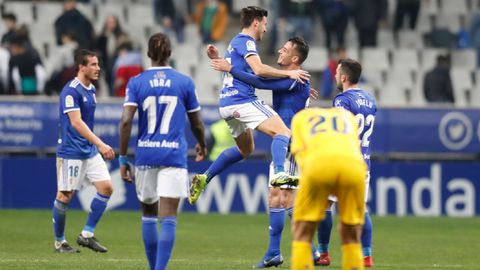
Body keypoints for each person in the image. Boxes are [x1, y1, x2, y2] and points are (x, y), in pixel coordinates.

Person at [188, 6, 309, 205]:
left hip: (227, 104)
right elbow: (259, 72)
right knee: (284, 133)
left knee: (246, 149)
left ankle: (205, 178)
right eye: (265, 24)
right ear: (256, 22)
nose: (265, 29)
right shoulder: (246, 41)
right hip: (242, 101)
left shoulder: (235, 43)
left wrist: (220, 60)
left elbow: (234, 70)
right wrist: (289, 73)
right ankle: (280, 173)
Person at [211, 36, 312, 268]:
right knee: (278, 198)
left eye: (285, 50)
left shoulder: (296, 79)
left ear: (295, 58)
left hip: (290, 142)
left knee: (284, 199)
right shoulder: (295, 78)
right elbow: (267, 79)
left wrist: (230, 68)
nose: (279, 50)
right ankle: (282, 252)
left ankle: (305, 251)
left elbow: (259, 82)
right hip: (284, 142)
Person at [119, 33, 207, 270]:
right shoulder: (185, 82)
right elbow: (196, 123)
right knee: (168, 216)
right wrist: (202, 143)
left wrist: (123, 158)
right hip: (174, 156)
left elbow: (126, 122)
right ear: (170, 53)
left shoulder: (136, 82)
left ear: (149, 54)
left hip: (146, 156)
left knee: (149, 214)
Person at [315, 58, 377, 267]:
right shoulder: (371, 101)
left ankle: (323, 253)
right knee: (361, 210)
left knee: (325, 206)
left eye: (337, 73)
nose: (334, 76)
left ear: (344, 77)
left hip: (343, 161)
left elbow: (340, 130)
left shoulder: (342, 100)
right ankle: (367, 256)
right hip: (363, 163)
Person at [288, 107, 367, 270]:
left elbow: (299, 154)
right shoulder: (347, 117)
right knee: (352, 232)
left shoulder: (300, 118)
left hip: (318, 165)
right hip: (354, 167)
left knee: (302, 231)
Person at [53, 49, 115, 253]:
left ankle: (86, 235)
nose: (98, 68)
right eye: (93, 64)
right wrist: (101, 144)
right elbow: (77, 123)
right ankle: (60, 242)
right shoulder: (71, 91)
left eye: (98, 64)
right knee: (65, 195)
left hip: (88, 151)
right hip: (71, 151)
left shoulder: (91, 89)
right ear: (81, 67)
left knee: (106, 188)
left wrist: (94, 146)